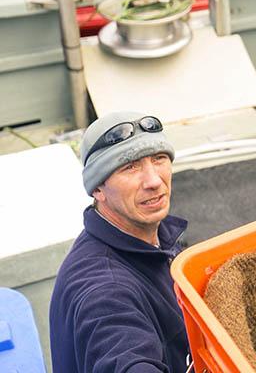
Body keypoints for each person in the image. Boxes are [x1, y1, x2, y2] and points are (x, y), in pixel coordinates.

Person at [49, 111, 190, 372]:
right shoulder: (105, 293)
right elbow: (122, 353)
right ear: (98, 189)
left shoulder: (154, 237)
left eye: (159, 159)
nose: (154, 181)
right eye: (130, 167)